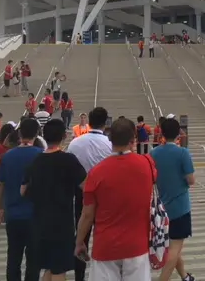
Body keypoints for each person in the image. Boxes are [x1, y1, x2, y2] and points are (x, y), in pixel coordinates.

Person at [75, 118, 156, 281]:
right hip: (137, 246)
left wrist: (79, 242)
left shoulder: (96, 172)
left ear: (109, 138)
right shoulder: (147, 164)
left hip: (105, 247)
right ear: (133, 140)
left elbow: (87, 215)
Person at [22, 119, 86, 281]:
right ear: (64, 136)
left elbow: (23, 190)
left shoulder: (35, 161)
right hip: (61, 223)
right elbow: (86, 186)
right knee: (59, 269)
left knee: (50, 267)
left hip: (39, 222)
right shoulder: (68, 160)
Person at [0, 119, 43, 281]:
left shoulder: (8, 156)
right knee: (34, 258)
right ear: (37, 134)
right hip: (36, 215)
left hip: (13, 214)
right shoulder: (40, 155)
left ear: (20, 134)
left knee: (14, 256)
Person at [67, 107, 111, 281]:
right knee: (105, 236)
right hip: (105, 198)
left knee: (81, 236)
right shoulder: (109, 144)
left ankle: (80, 276)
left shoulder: (75, 143)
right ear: (106, 122)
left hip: (81, 196)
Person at [151, 116, 196, 281]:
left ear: (161, 133)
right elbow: (191, 180)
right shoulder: (182, 152)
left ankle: (184, 276)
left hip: (161, 207)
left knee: (171, 246)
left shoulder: (153, 153)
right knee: (174, 248)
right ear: (178, 133)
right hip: (180, 206)